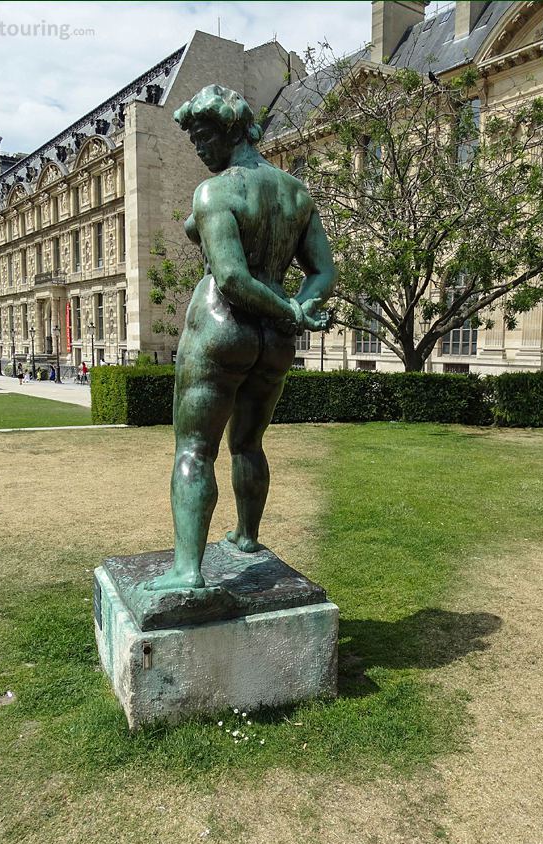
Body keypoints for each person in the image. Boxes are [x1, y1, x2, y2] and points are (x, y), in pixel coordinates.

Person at [148, 84, 334, 593]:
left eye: (204, 137)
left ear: (230, 131)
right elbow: (322, 272)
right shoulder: (296, 193)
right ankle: (247, 537)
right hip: (275, 338)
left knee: (194, 449)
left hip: (221, 326)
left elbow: (230, 279)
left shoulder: (215, 192)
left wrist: (287, 308)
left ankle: (188, 570)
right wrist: (297, 309)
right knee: (248, 442)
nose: (199, 149)